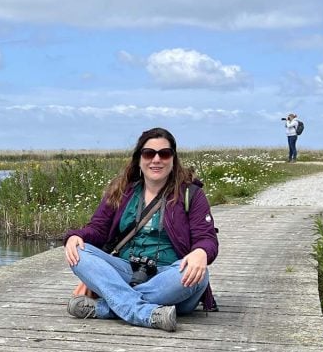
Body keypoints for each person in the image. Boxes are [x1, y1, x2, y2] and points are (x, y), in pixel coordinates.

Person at [63, 127, 219, 333]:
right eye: (149, 153)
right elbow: (97, 230)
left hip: (169, 275)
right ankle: (146, 312)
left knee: (200, 274)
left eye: (164, 153)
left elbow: (206, 238)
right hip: (126, 271)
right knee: (79, 252)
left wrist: (201, 252)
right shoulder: (122, 191)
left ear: (173, 159)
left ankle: (106, 306)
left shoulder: (192, 195)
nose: (156, 159)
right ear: (139, 158)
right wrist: (76, 236)